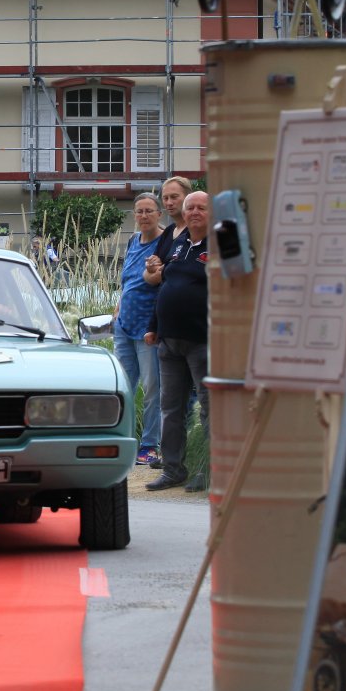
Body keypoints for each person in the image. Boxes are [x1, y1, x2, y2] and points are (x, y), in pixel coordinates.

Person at [145, 190, 212, 492]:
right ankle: (173, 470)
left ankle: (209, 471)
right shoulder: (179, 243)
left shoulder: (219, 246)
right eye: (190, 208)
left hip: (202, 340)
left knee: (209, 409)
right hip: (169, 340)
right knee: (170, 408)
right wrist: (153, 326)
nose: (194, 212)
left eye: (201, 207)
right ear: (184, 215)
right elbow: (165, 286)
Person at [113, 193, 165, 468]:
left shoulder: (165, 242)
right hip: (124, 325)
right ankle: (122, 439)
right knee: (124, 387)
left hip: (148, 328)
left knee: (152, 387)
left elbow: (159, 279)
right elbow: (127, 281)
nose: (144, 216)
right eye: (139, 211)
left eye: (149, 211)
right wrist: (119, 306)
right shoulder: (133, 241)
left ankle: (149, 445)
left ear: (159, 214)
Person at [143, 175, 193, 288]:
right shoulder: (168, 231)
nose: (169, 203)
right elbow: (148, 273)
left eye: (174, 197)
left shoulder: (194, 231)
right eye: (165, 198)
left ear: (188, 197)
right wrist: (151, 266)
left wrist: (161, 272)